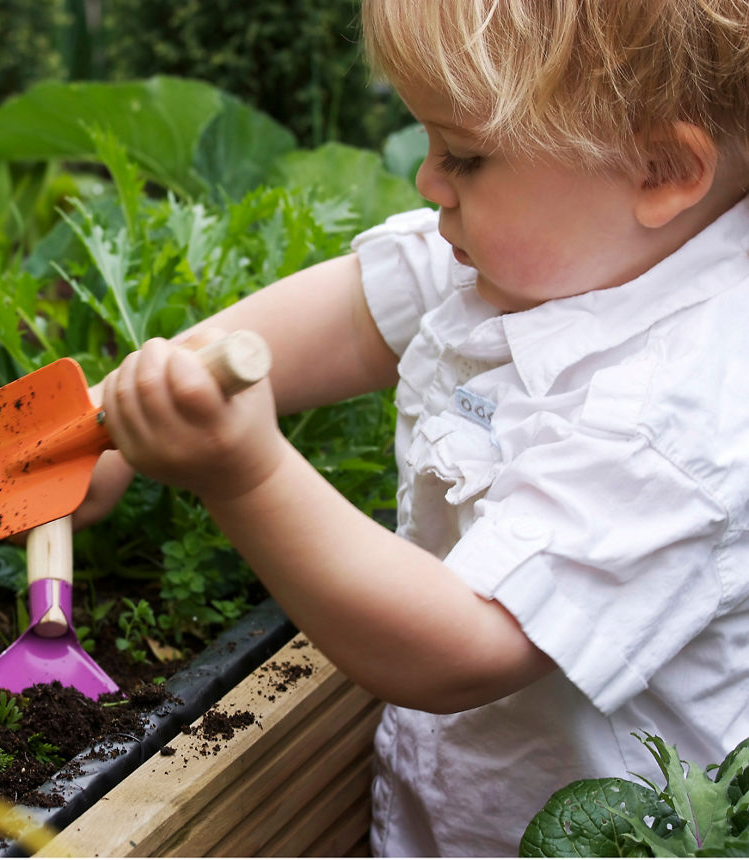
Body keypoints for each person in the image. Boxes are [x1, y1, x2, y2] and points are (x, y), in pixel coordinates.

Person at [74, 0, 749, 854]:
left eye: (464, 155)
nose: (429, 182)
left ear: (661, 170)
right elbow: (356, 316)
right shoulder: (564, 246)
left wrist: (243, 474)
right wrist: (112, 415)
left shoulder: (678, 414)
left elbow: (463, 648)